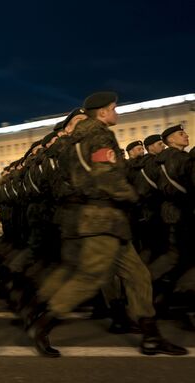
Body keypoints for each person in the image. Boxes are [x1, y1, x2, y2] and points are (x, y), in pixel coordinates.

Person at [29, 92, 187, 357]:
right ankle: (43, 323)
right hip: (101, 220)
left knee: (138, 275)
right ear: (102, 112)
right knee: (90, 278)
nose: (117, 113)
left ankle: (150, 336)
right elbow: (106, 177)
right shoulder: (99, 136)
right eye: (114, 109)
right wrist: (130, 195)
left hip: (104, 221)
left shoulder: (74, 142)